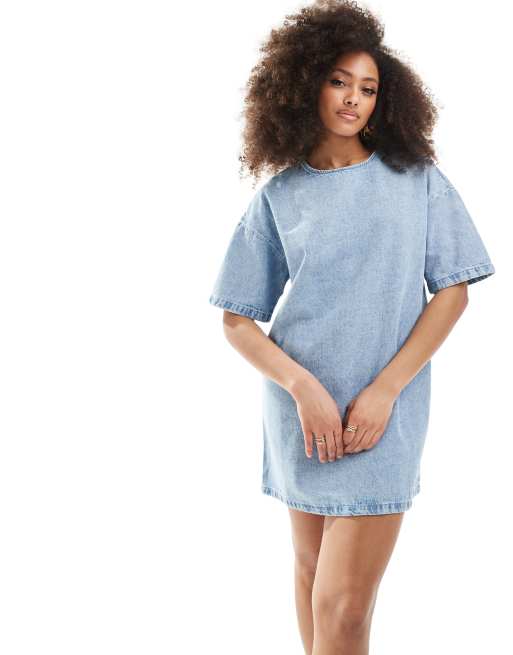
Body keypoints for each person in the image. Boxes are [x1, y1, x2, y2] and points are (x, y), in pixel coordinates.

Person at [208, 1, 496, 653]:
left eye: (367, 88)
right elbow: (237, 317)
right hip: (302, 417)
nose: (352, 99)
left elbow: (452, 292)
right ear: (303, 83)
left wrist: (386, 390)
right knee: (312, 577)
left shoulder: (415, 180)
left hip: (383, 415)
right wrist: (301, 387)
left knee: (342, 607)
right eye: (339, 81)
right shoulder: (279, 196)